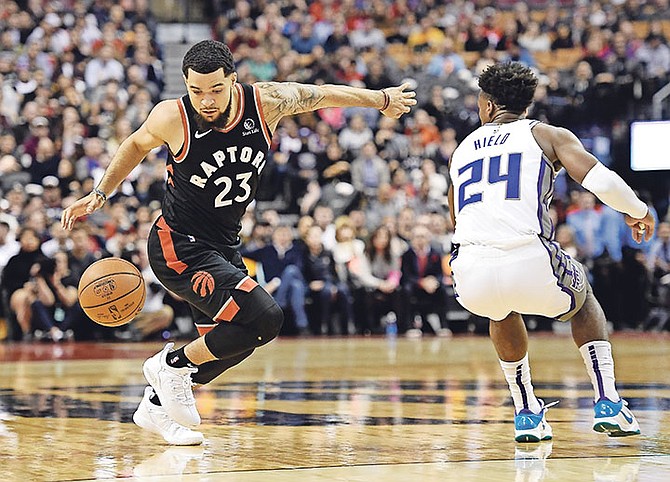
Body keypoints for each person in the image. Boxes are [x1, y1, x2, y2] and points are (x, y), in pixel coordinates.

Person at [61, 39, 416, 446]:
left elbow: (320, 95)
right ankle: (170, 366)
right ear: (186, 84)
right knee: (266, 318)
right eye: (196, 91)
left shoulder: (267, 102)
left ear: (233, 80)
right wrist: (100, 193)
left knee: (236, 342)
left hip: (224, 245)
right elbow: (137, 144)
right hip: (179, 245)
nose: (206, 101)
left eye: (215, 90)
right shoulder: (172, 116)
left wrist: (381, 99)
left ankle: (155, 407)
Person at [447, 62, 655, 443]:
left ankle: (526, 411)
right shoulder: (546, 135)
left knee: (500, 309)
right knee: (584, 297)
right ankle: (608, 401)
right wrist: (638, 211)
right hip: (529, 259)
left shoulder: (461, 150)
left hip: (469, 271)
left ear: (489, 106)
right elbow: (600, 180)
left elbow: (456, 218)